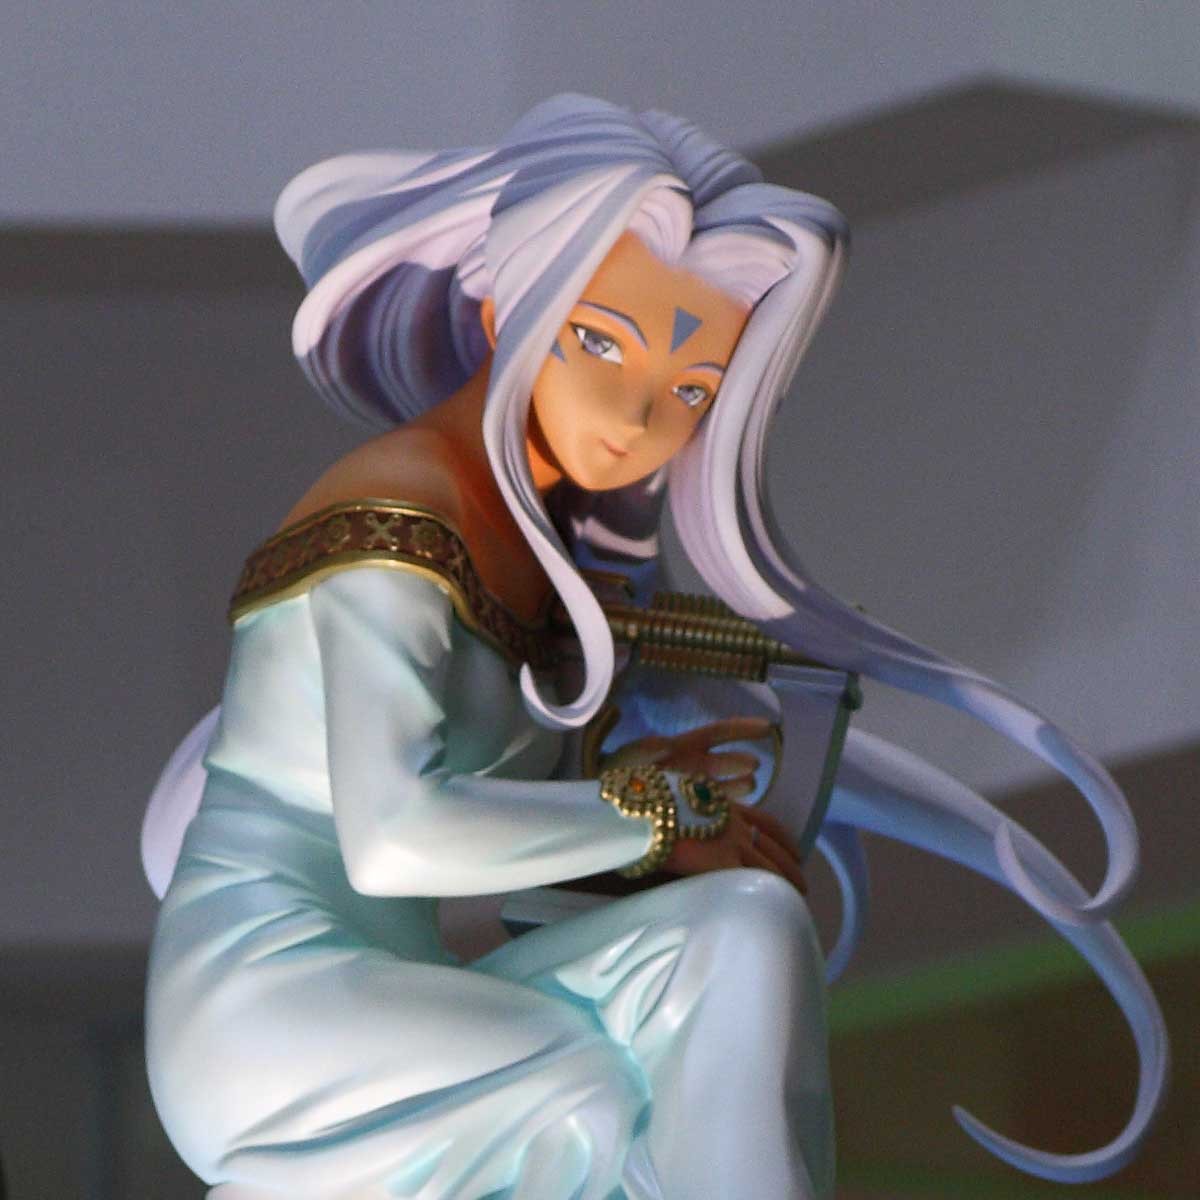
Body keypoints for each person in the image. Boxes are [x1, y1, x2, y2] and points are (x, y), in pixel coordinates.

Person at [142, 95, 1166, 1199]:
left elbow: (543, 839)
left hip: (406, 994)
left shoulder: (549, 552)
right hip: (260, 1013)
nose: (638, 418)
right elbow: (393, 843)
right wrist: (652, 814)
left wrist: (652, 817)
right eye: (600, 343)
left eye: (690, 390)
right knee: (585, 1093)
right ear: (504, 303)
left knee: (745, 927)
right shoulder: (399, 513)